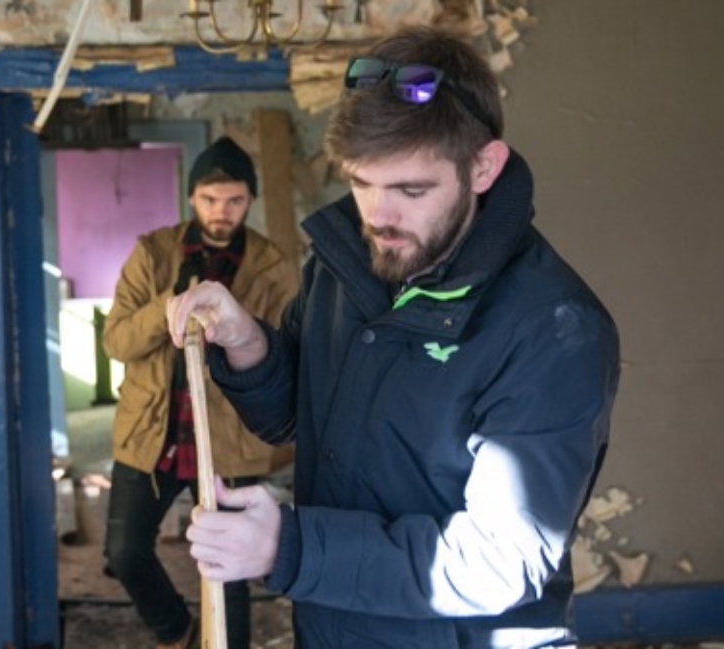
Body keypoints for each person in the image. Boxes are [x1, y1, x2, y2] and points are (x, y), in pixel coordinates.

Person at [166, 25, 621, 649]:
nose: (378, 217)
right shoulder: (346, 264)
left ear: (483, 167)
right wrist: (246, 342)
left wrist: (289, 547)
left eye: (411, 189)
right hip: (338, 627)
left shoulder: (553, 330)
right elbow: (299, 417)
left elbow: (501, 561)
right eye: (360, 182)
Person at [102, 135, 299, 649]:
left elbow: (286, 352)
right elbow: (117, 340)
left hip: (232, 438)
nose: (222, 212)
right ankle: (179, 634)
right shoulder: (152, 254)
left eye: (235, 200)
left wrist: (234, 321)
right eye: (211, 200)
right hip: (154, 433)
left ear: (250, 200)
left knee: (227, 570)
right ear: (192, 197)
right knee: (124, 551)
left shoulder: (273, 266)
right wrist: (171, 302)